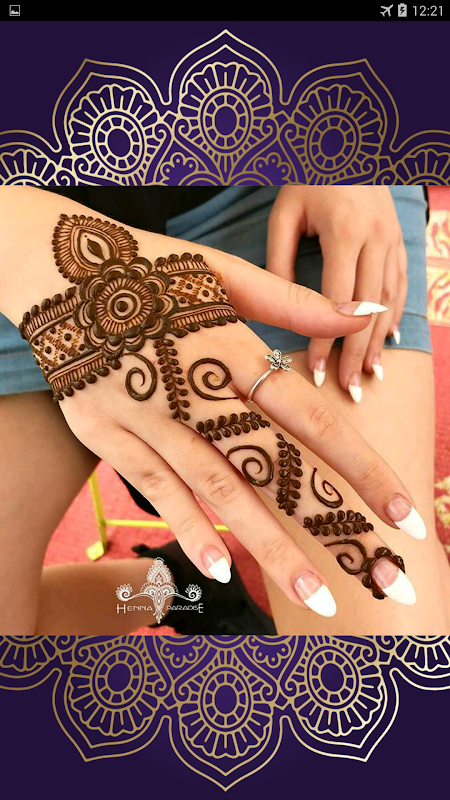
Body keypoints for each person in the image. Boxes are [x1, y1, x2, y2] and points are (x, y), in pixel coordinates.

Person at [0, 185, 448, 635]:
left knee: (383, 654)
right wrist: (19, 243)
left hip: (263, 190)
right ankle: (180, 587)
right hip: (21, 257)